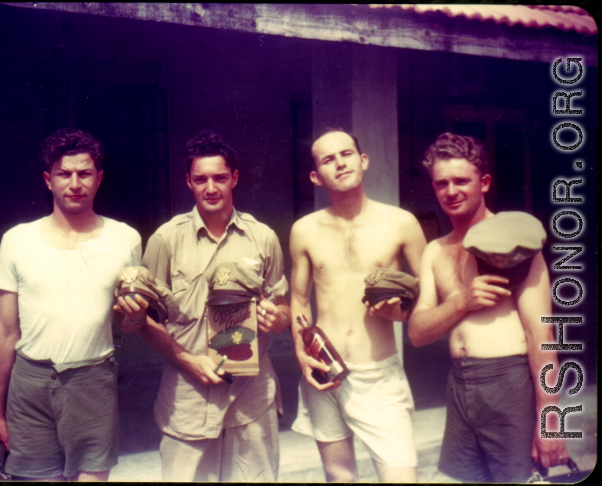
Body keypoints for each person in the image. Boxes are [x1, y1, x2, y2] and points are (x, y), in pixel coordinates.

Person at [115, 129, 291, 482]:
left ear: (234, 178)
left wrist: (277, 318)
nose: (211, 188)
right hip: (188, 400)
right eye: (201, 179)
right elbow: (147, 320)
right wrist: (188, 361)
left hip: (251, 399)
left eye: (220, 178)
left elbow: (283, 306)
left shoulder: (263, 238)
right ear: (188, 182)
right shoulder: (166, 239)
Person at [408, 132, 568, 482]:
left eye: (461, 181)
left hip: (507, 382)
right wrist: (462, 301)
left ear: (484, 182)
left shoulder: (515, 242)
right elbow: (418, 332)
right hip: (460, 385)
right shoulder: (434, 250)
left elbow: (541, 334)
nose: (451, 191)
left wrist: (550, 418)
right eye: (442, 183)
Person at [0, 128, 143, 481]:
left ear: (99, 178)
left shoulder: (125, 239)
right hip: (30, 387)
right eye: (64, 173)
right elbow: (6, 330)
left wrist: (136, 315)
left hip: (93, 381)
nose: (75, 183)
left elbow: (129, 325)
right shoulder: (17, 240)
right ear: (48, 179)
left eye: (85, 173)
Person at [289, 128, 426, 482]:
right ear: (316, 176)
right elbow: (300, 299)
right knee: (340, 478)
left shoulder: (400, 223)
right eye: (328, 159)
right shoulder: (304, 230)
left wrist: (403, 312)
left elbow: (430, 293)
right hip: (324, 368)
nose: (340, 163)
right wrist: (301, 352)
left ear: (363, 160)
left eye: (346, 154)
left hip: (378, 374)